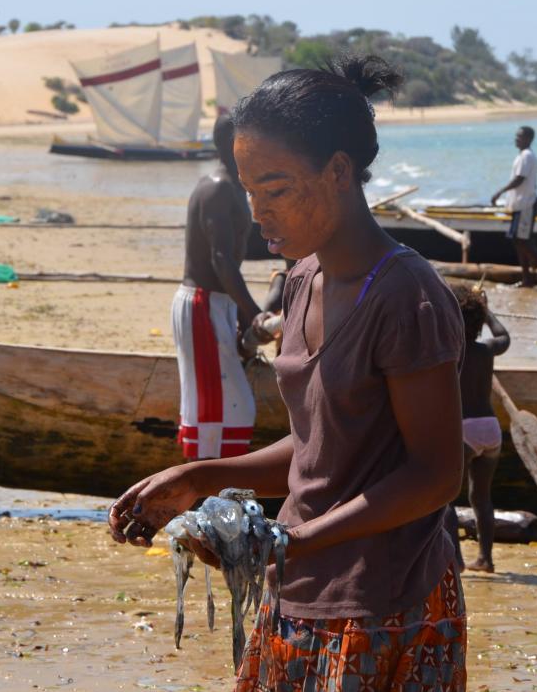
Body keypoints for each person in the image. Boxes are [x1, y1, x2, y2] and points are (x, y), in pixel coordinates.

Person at [109, 56, 468, 692]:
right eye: (249, 191)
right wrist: (200, 476)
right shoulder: (302, 279)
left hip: (386, 606)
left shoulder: (405, 296)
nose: (258, 212)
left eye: (275, 189)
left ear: (338, 172)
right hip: (299, 592)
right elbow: (320, 446)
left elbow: (436, 473)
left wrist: (292, 540)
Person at [172, 113, 262, 460]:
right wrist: (252, 312)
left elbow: (237, 252)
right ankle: (208, 494)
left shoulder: (236, 187)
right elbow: (221, 259)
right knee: (219, 413)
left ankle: (216, 493)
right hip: (202, 303)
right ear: (235, 145)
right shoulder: (218, 188)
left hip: (217, 302)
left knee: (232, 410)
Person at [446, 282, 510, 573]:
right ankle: (486, 558)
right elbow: (504, 337)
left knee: (446, 497)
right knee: (480, 496)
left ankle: (456, 560)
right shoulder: (486, 350)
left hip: (463, 430)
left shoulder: (450, 351)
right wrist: (486, 311)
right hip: (490, 428)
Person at [490, 126, 537, 287]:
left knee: (522, 240)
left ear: (528, 139)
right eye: (516, 136)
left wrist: (500, 191)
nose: (516, 139)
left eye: (520, 137)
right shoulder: (522, 156)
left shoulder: (527, 156)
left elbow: (520, 179)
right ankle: (527, 279)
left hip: (526, 204)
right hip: (519, 204)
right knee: (518, 241)